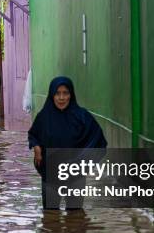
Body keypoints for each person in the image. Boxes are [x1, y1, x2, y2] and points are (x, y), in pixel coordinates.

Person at [28, 76, 107, 209]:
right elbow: (33, 134)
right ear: (52, 95)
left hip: (75, 175)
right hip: (51, 173)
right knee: (50, 217)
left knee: (75, 217)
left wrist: (83, 162)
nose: (61, 98)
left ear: (71, 95)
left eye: (65, 93)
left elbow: (98, 142)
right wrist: (36, 147)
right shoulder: (44, 117)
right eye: (57, 93)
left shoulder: (82, 116)